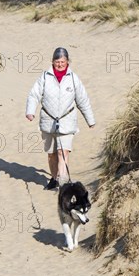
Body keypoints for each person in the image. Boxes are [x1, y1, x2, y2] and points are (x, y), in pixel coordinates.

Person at [26, 47, 95, 190]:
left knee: (62, 152)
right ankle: (55, 178)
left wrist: (90, 120)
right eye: (57, 61)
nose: (60, 64)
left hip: (67, 121)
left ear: (67, 62)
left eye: (63, 61)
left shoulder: (73, 78)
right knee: (52, 154)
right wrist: (30, 111)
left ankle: (63, 183)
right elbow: (34, 95)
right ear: (52, 62)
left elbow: (82, 99)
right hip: (48, 121)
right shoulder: (45, 76)